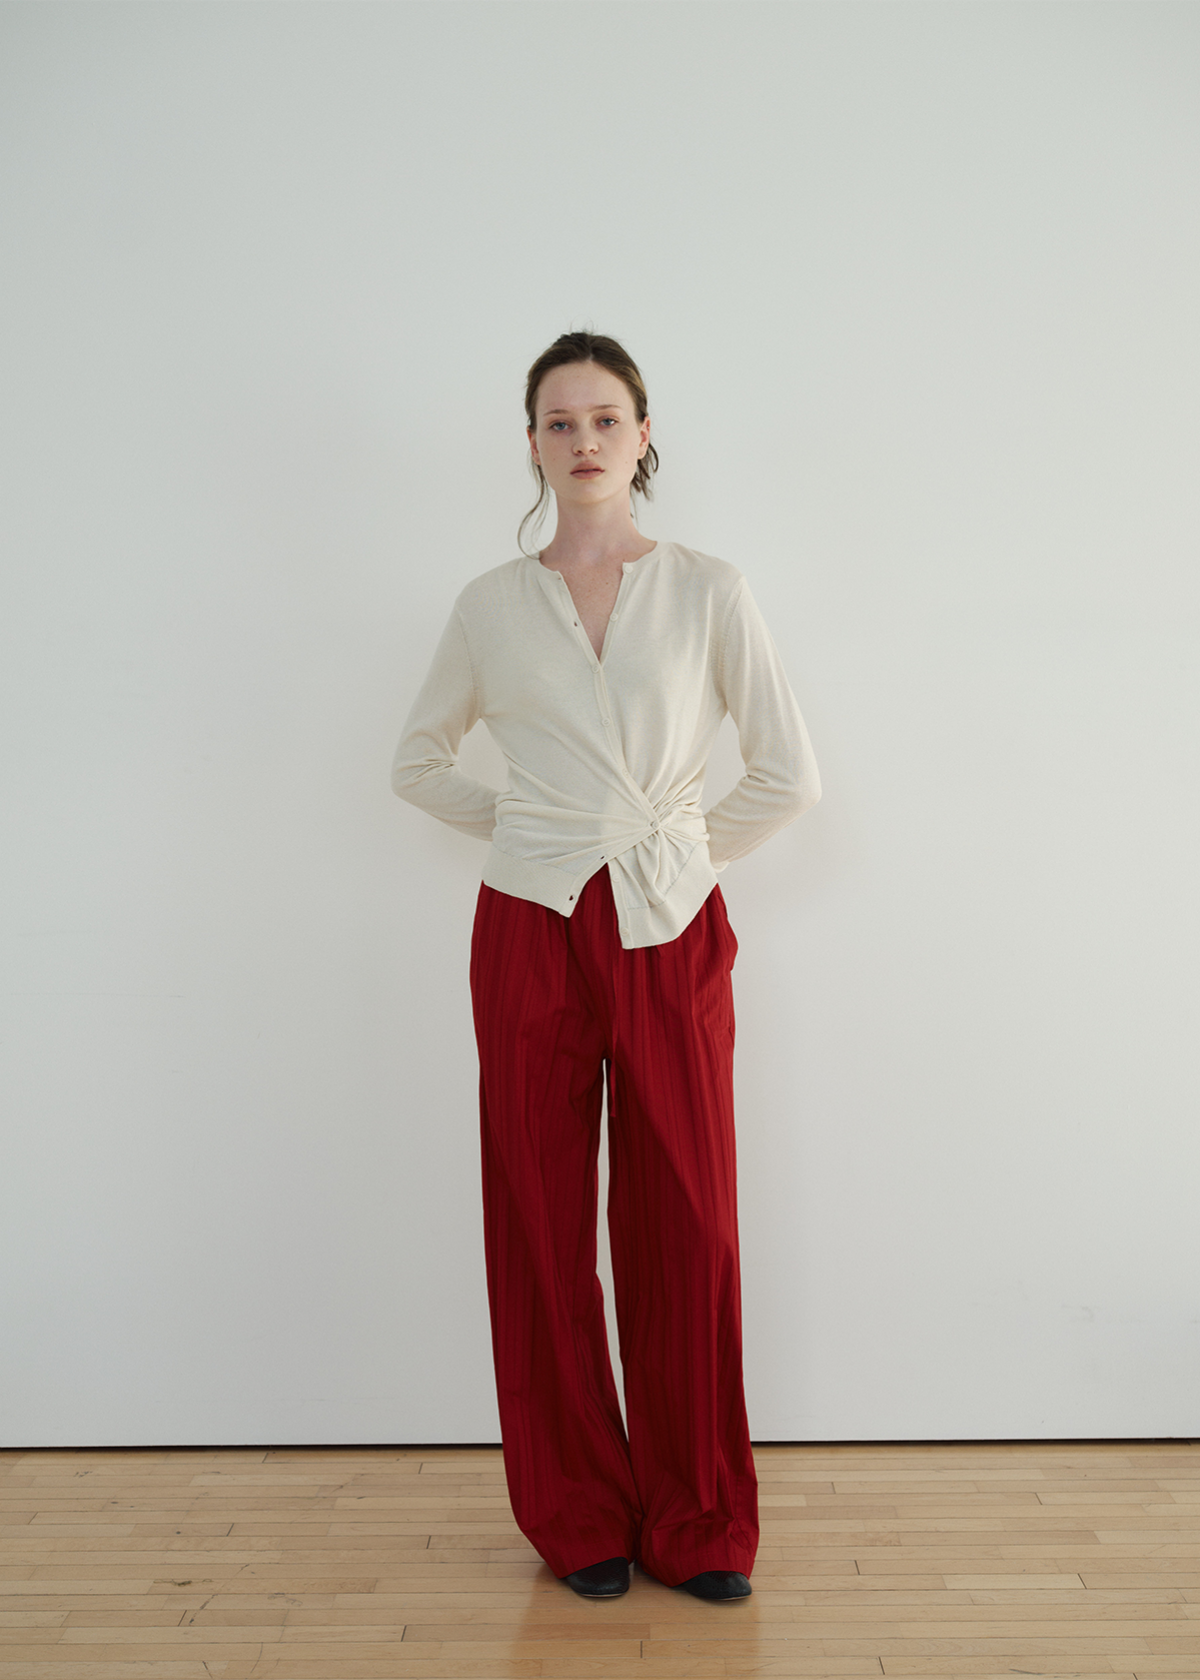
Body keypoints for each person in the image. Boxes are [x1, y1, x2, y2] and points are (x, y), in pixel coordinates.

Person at [391, 330, 820, 1602]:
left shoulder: (709, 589)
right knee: (537, 1212)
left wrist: (677, 850)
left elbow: (789, 775)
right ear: (532, 444)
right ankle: (577, 1512)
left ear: (643, 436)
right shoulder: (489, 606)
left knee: (687, 1218)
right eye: (559, 421)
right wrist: (533, 832)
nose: (584, 440)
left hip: (669, 920)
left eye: (605, 418)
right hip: (529, 922)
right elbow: (417, 762)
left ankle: (701, 1518)